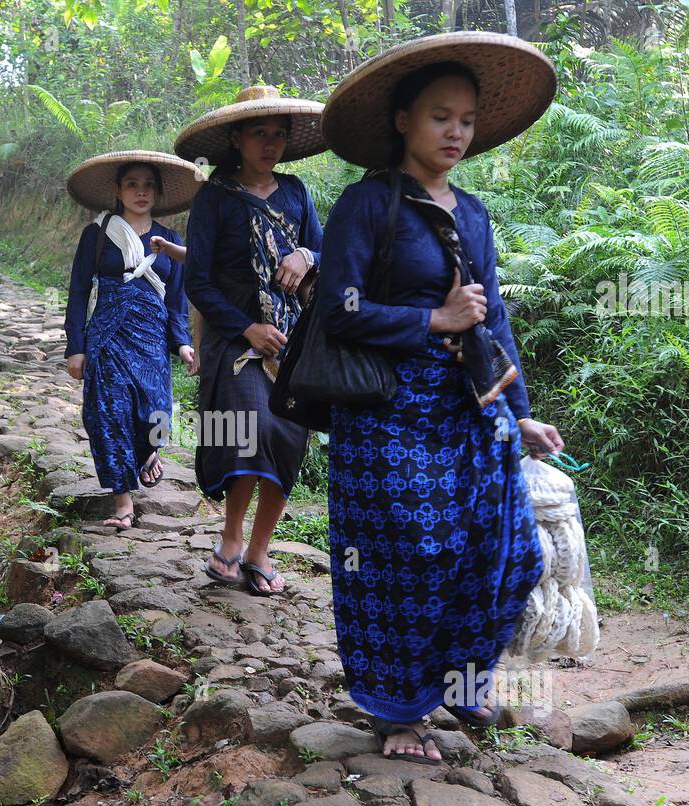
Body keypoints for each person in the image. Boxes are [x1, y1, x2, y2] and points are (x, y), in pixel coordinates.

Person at [316, 34, 563, 763]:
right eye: (438, 117)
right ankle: (400, 712)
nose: (456, 132)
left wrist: (520, 414)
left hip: (468, 406)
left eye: (466, 119)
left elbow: (494, 319)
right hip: (386, 412)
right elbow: (340, 309)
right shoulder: (366, 204)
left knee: (509, 550)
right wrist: (433, 319)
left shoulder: (475, 214)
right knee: (409, 558)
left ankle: (463, 681)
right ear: (402, 121)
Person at [175, 86, 326, 596]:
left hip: (291, 338)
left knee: (288, 435)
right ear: (237, 138)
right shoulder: (214, 199)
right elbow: (197, 280)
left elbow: (325, 258)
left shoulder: (296, 192)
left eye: (278, 135)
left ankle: (260, 548)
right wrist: (246, 328)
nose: (270, 144)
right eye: (259, 133)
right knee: (248, 427)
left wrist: (305, 254)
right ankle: (232, 538)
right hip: (235, 337)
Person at [63, 151, 201, 529]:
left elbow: (176, 300)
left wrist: (183, 342)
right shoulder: (98, 234)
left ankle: (147, 455)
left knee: (155, 411)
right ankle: (123, 501)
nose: (141, 192)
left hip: (152, 337)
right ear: (119, 191)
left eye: (148, 185)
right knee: (107, 413)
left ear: (157, 193)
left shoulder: (170, 240)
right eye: (132, 184)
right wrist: (76, 347)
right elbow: (78, 291)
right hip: (107, 336)